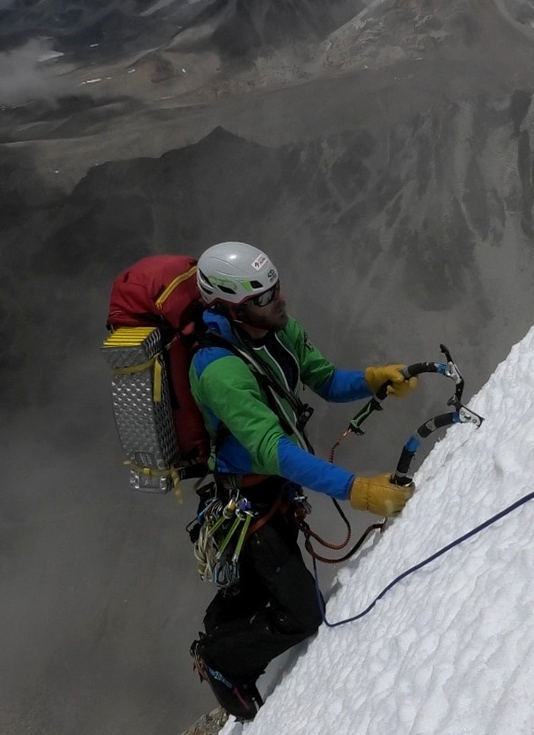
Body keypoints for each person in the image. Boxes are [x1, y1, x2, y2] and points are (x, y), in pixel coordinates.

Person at [187, 241, 418, 721]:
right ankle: (220, 660)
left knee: (262, 585)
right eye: (264, 297)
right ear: (231, 308)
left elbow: (326, 380)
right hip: (247, 504)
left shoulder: (275, 330)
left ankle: (223, 628)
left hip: (272, 494)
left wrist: (374, 378)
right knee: (303, 614)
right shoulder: (219, 371)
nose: (279, 301)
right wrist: (357, 490)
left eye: (275, 289)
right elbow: (273, 450)